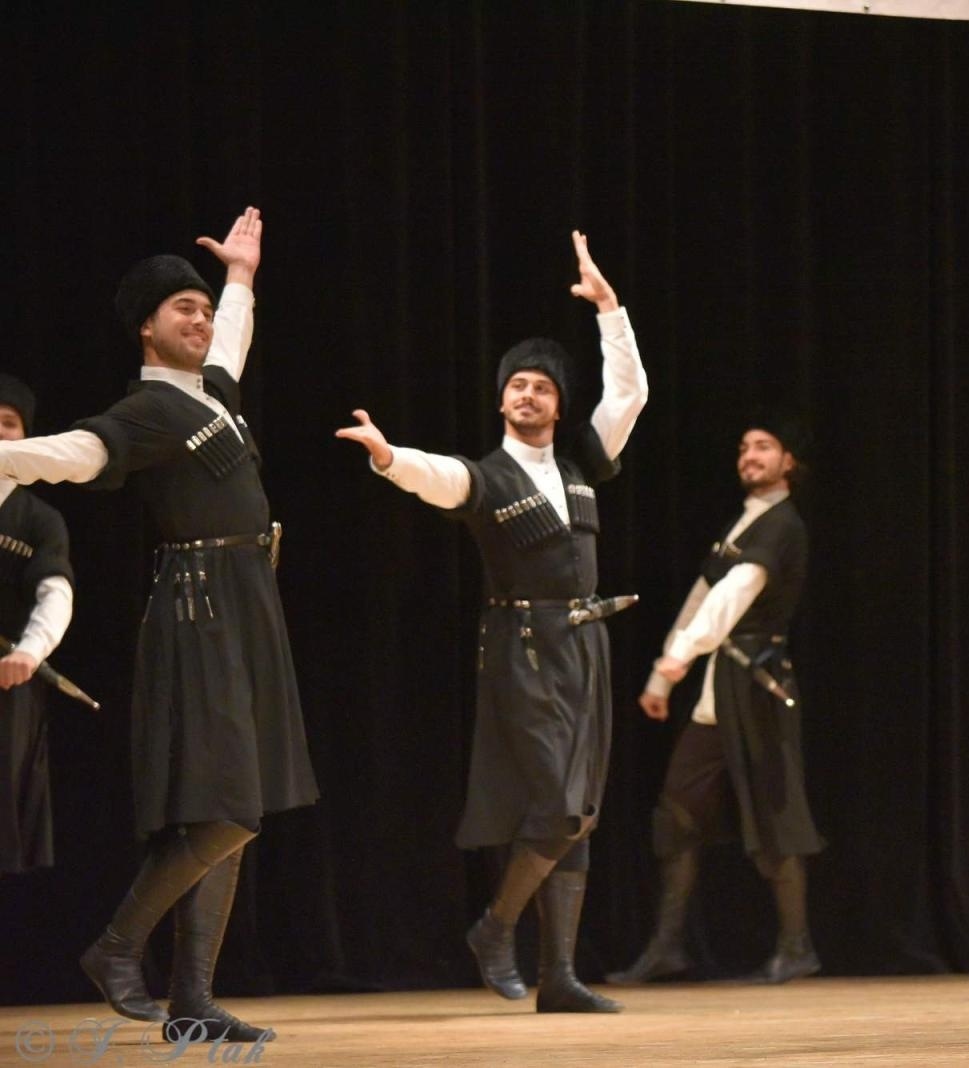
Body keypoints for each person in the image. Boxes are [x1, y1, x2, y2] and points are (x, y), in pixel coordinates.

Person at [0, 207, 316, 1042]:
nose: (201, 316)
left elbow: (233, 344)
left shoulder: (214, 390)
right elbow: (75, 455)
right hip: (200, 606)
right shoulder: (141, 412)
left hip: (249, 605)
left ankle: (193, 1003)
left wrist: (241, 277)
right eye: (184, 307)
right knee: (225, 809)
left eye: (203, 307)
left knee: (233, 814)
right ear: (147, 328)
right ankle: (115, 947)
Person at [336, 231, 646, 1014]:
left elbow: (631, 396)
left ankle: (561, 977)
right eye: (517, 386)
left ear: (558, 404)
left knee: (581, 810)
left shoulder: (581, 465)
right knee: (552, 803)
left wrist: (610, 310)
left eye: (542, 387)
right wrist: (387, 456)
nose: (529, 395)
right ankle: (495, 929)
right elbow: (435, 479)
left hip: (588, 648)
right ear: (501, 400)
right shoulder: (486, 475)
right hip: (524, 647)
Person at [608, 418, 823, 987]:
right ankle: (667, 948)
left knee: (772, 814)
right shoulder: (743, 522)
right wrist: (663, 675)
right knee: (677, 814)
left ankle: (797, 947)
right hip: (719, 684)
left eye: (763, 447)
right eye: (743, 446)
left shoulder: (781, 524)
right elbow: (703, 593)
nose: (749, 456)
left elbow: (734, 594)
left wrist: (680, 657)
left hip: (756, 685)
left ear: (788, 462)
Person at [0, 374, 75, 877]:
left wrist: (29, 651)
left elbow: (56, 592)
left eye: (7, 424)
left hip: (11, 683)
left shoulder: (39, 520)